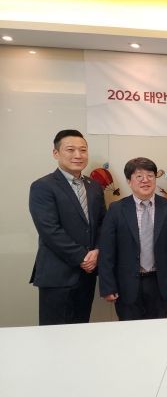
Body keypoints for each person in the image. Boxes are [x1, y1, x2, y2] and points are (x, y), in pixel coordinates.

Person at [29, 129, 106, 325]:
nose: (78, 155)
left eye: (83, 150)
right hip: (57, 275)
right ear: (56, 153)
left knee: (81, 329)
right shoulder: (43, 186)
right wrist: (82, 257)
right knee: (55, 334)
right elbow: (49, 230)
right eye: (70, 150)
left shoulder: (94, 186)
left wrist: (97, 251)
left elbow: (102, 224)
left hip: (87, 275)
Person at [98, 158, 167, 320]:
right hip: (126, 284)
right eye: (139, 176)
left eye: (150, 175)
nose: (145, 180)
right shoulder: (117, 209)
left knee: (158, 329)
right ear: (129, 181)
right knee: (129, 331)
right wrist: (107, 286)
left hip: (160, 282)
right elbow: (107, 251)